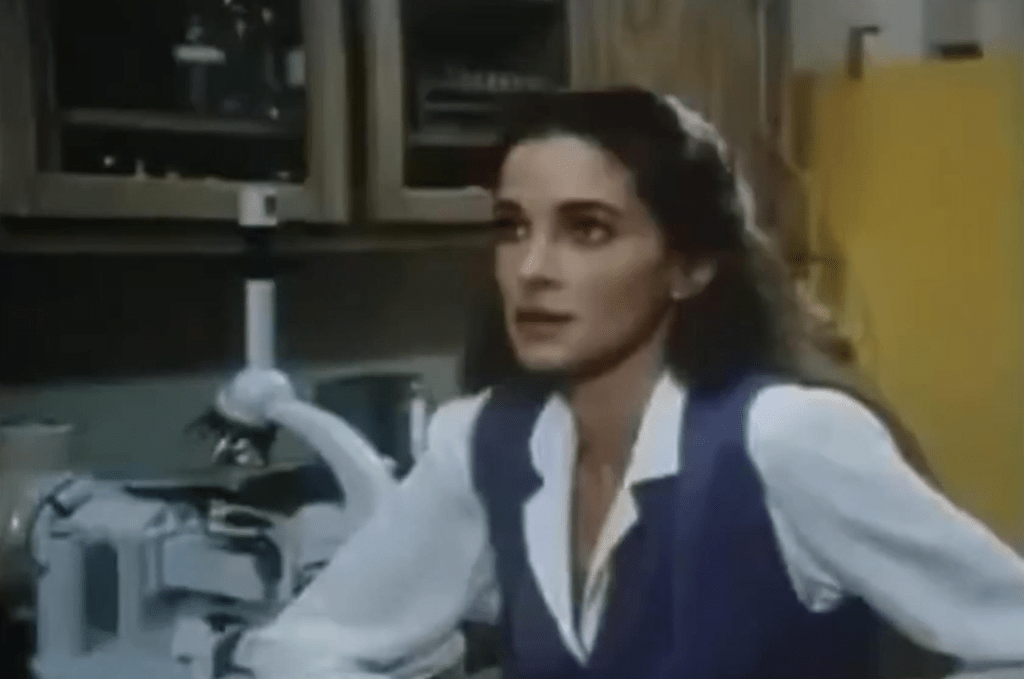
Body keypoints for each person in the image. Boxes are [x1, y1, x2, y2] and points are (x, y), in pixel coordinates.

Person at [234, 88, 1024, 679]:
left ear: (690, 265)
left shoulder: (785, 439)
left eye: (587, 229)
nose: (532, 269)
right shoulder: (483, 442)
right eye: (513, 227)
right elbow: (298, 647)